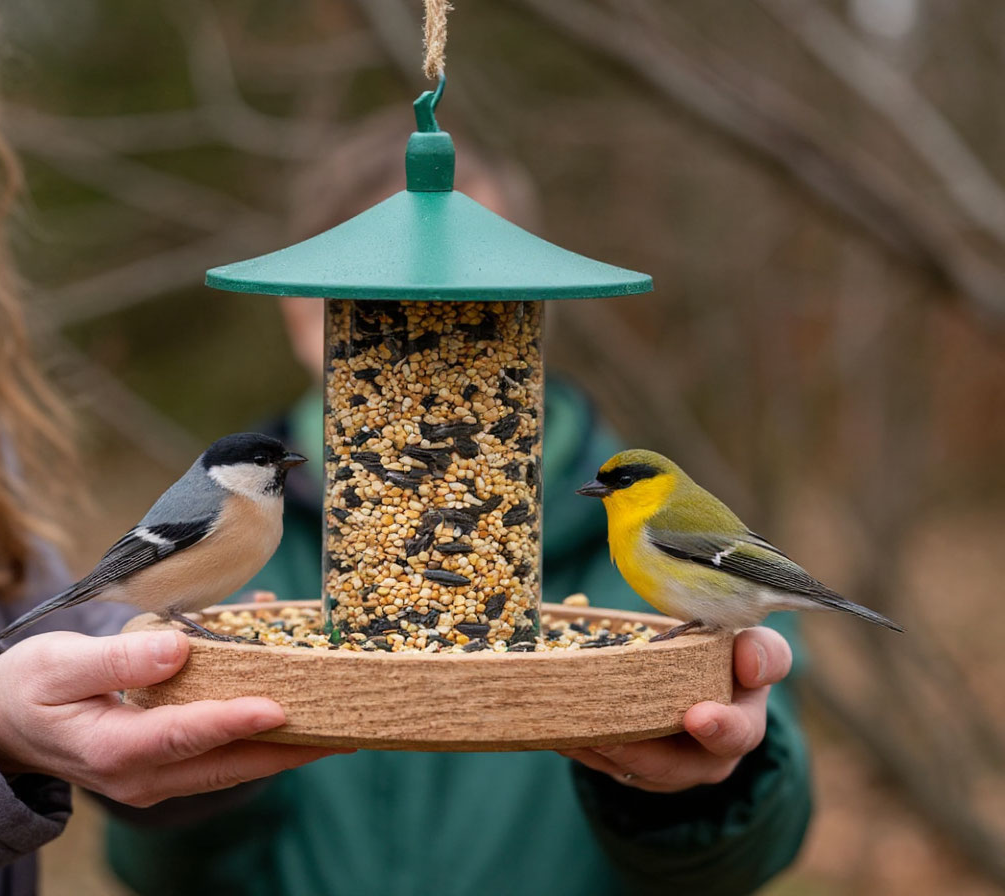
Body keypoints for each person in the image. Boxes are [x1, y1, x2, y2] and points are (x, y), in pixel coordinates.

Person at [105, 113, 813, 895]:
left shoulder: (644, 521)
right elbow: (153, 871)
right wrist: (184, 779)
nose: (423, 329)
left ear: (537, 305)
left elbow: (763, 841)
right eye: (368, 299)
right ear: (298, 308)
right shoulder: (241, 528)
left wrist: (698, 784)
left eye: (475, 295)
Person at [0, 3, 338, 894]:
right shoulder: (218, 504)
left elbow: (75, 634)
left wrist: (183, 704)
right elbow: (122, 578)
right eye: (267, 464)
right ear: (239, 473)